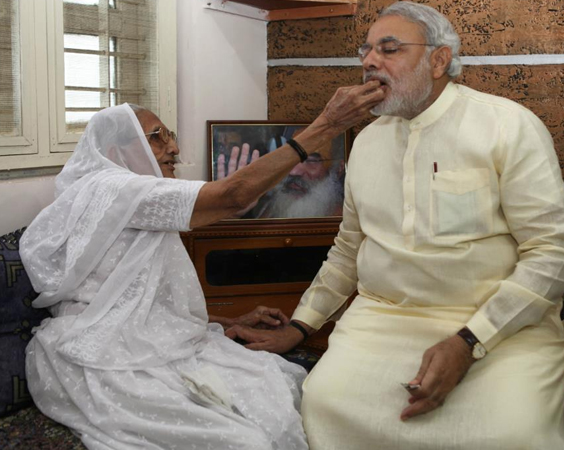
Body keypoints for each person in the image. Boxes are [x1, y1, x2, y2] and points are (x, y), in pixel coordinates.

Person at [225, 2, 564, 449]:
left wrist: (469, 342)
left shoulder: (508, 126)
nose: (370, 62)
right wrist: (299, 326)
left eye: (389, 49)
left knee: (511, 432)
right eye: (366, 51)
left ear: (438, 60)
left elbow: (553, 253)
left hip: (500, 323)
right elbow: (348, 251)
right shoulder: (368, 141)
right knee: (324, 404)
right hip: (383, 320)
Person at [20, 80, 385, 449]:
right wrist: (327, 124)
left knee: (284, 392)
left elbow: (133, 300)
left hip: (143, 343)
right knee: (243, 439)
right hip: (102, 358)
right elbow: (233, 196)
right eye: (157, 137)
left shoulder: (120, 191)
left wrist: (225, 321)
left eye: (171, 136)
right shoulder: (115, 188)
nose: (174, 148)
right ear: (116, 150)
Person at [217, 128, 346, 219]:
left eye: (311, 161)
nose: (293, 171)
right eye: (290, 159)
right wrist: (231, 214)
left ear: (338, 169)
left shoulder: (348, 223)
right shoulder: (266, 207)